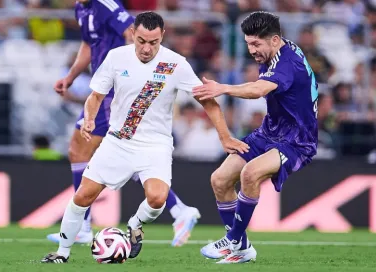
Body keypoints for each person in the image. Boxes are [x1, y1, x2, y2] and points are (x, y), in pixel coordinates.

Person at [41, 11, 249, 264]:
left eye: (153, 42)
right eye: (141, 41)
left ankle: (135, 223)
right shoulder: (116, 57)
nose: (147, 48)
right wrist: (89, 119)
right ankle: (61, 253)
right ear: (132, 34)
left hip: (155, 144)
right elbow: (95, 96)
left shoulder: (176, 64)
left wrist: (225, 137)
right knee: (83, 196)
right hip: (117, 141)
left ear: (162, 36)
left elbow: (208, 101)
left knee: (158, 198)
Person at [48, 0, 203, 247]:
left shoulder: (105, 5)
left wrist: (137, 81)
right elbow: (89, 44)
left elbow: (133, 32)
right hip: (103, 89)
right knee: (84, 150)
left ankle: (86, 226)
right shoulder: (81, 7)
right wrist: (70, 76)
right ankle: (177, 210)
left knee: (104, 148)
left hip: (115, 92)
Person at [193, 11, 318, 264]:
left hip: (297, 140)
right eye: (248, 43)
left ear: (274, 40)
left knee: (250, 174)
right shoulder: (275, 50)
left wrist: (222, 88)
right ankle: (242, 248)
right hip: (269, 132)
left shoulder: (288, 63)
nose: (251, 50)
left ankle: (234, 240)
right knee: (219, 180)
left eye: (256, 44)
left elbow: (260, 89)